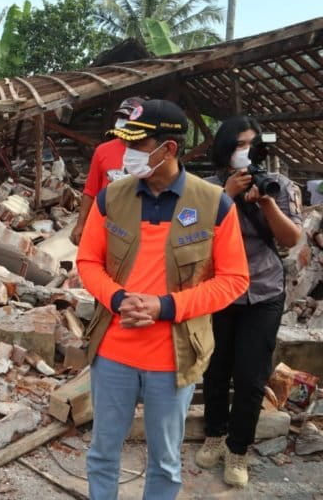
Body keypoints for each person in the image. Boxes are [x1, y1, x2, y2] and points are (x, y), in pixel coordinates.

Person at [76, 99, 250, 500]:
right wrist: (117, 299)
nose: (127, 155)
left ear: (168, 149)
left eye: (137, 146)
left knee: (166, 461)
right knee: (103, 453)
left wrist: (164, 307)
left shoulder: (213, 204)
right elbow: (87, 261)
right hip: (114, 354)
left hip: (173, 358)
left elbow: (234, 280)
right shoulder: (112, 198)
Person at [197, 116, 302, 487]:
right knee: (216, 367)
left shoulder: (279, 185)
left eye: (252, 145)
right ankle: (214, 433)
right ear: (225, 149)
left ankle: (238, 451)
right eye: (239, 145)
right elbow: (192, 237)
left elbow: (291, 239)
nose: (246, 152)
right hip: (220, 289)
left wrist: (268, 204)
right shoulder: (207, 188)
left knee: (251, 376)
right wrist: (225, 196)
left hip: (264, 290)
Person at [70, 96, 145, 245]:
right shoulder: (103, 151)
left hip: (138, 227)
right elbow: (90, 191)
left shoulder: (150, 153)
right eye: (121, 117)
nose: (123, 121)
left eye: (128, 117)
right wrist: (80, 225)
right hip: (105, 224)